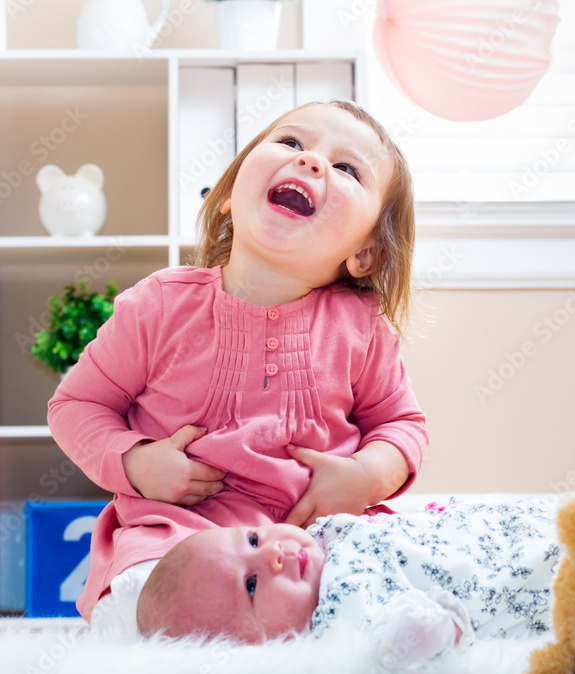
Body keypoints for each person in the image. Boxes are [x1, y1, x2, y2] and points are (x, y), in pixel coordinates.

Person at [47, 99, 430, 634]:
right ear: (229, 195)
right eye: (292, 143)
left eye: (346, 169)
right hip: (179, 530)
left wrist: (365, 478)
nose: (312, 162)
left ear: (365, 253)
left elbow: (401, 426)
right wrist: (136, 463)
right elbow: (76, 405)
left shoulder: (362, 326)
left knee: (412, 565)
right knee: (147, 595)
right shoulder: (158, 305)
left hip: (318, 535)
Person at [136, 499, 559, 666]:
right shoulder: (343, 615)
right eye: (251, 585)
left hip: (514, 522)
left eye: (252, 539)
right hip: (532, 574)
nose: (272, 553)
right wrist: (428, 630)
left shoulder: (325, 534)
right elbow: (414, 636)